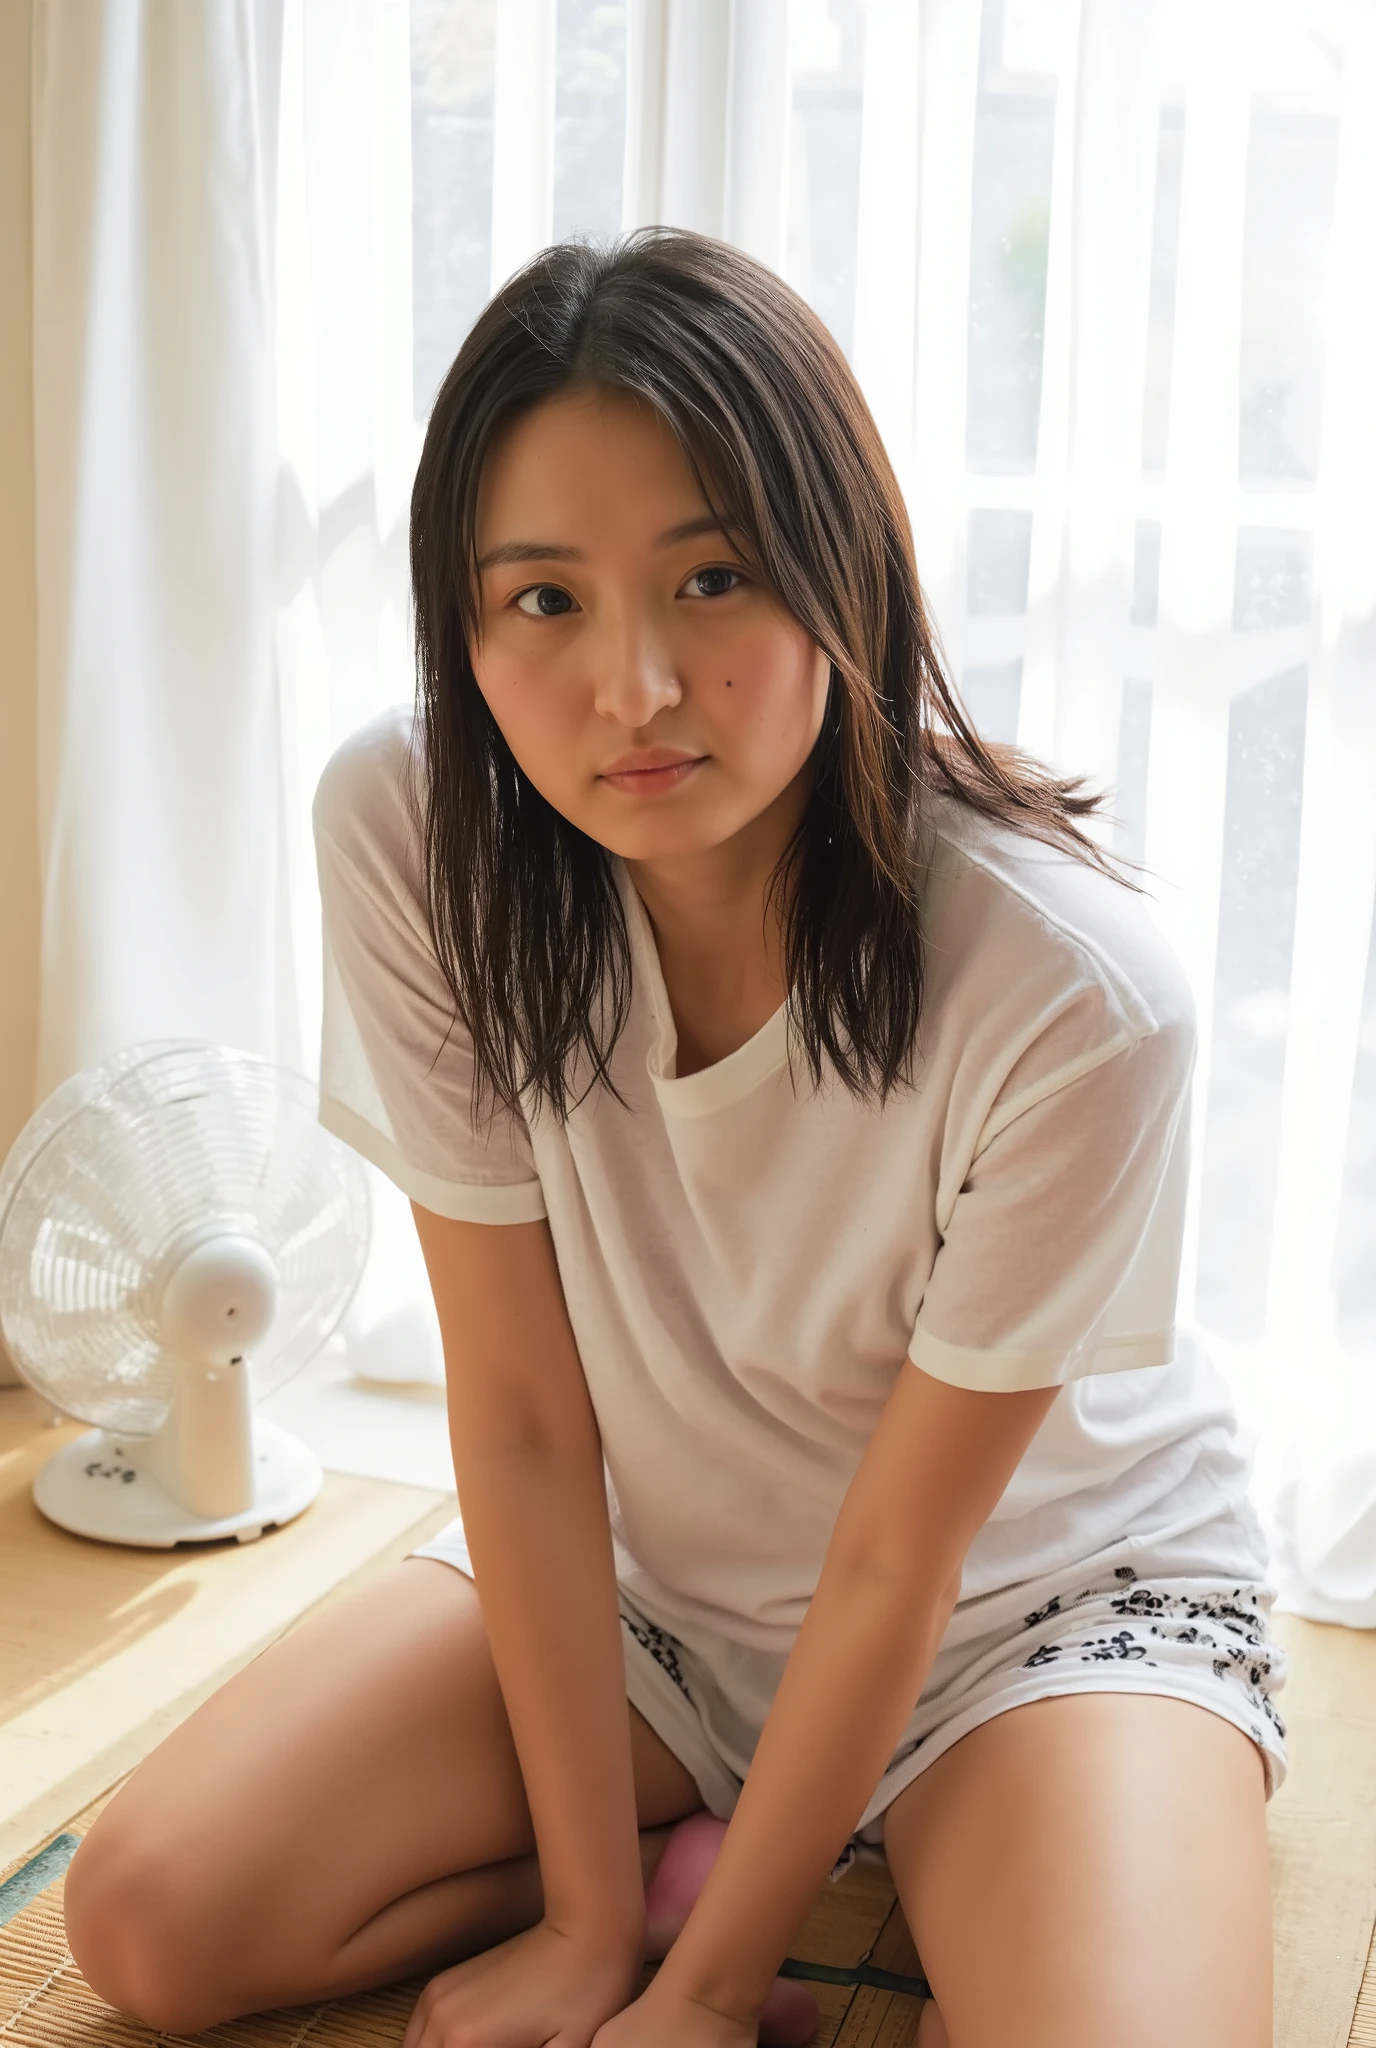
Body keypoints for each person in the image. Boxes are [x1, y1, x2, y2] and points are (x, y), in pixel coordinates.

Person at [64, 227, 1287, 2048]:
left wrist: (707, 1998)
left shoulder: (1075, 995)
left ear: (841, 577)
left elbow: (902, 1559)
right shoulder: (410, 831)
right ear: (463, 629)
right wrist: (582, 1931)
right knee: (150, 1922)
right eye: (543, 601)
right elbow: (529, 1415)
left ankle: (835, 1890)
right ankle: (681, 1860)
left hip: (1027, 1616)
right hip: (654, 1593)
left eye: (711, 579)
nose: (632, 688)